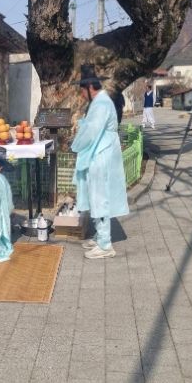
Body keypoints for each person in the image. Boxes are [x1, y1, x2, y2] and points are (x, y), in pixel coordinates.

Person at [72, 65, 129, 259]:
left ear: (89, 87)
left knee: (99, 197)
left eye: (82, 89)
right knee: (96, 195)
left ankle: (105, 244)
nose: (81, 94)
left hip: (101, 153)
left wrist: (76, 144)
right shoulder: (100, 102)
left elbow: (91, 131)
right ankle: (100, 236)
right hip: (100, 151)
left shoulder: (101, 104)